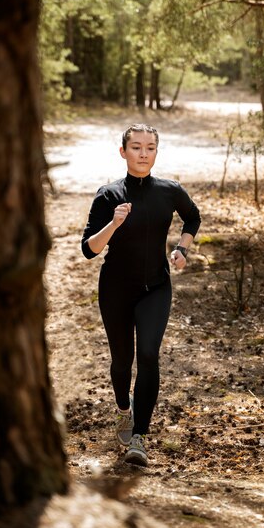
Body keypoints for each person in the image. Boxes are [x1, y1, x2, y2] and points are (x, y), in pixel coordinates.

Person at [81, 124, 201, 466]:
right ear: (123, 152)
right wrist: (114, 223)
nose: (143, 153)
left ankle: (140, 437)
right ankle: (123, 409)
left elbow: (193, 217)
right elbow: (89, 249)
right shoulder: (108, 195)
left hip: (156, 287)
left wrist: (182, 249)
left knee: (148, 354)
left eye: (150, 147)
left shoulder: (169, 190)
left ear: (156, 152)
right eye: (136, 147)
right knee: (122, 361)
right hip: (115, 288)